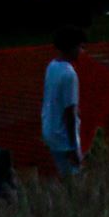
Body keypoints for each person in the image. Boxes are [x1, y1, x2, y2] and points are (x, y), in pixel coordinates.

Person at [41, 23, 85, 175]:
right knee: (75, 177)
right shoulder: (69, 75)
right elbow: (69, 113)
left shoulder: (52, 66)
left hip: (50, 131)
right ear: (71, 47)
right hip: (64, 138)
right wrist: (73, 147)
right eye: (80, 46)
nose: (82, 51)